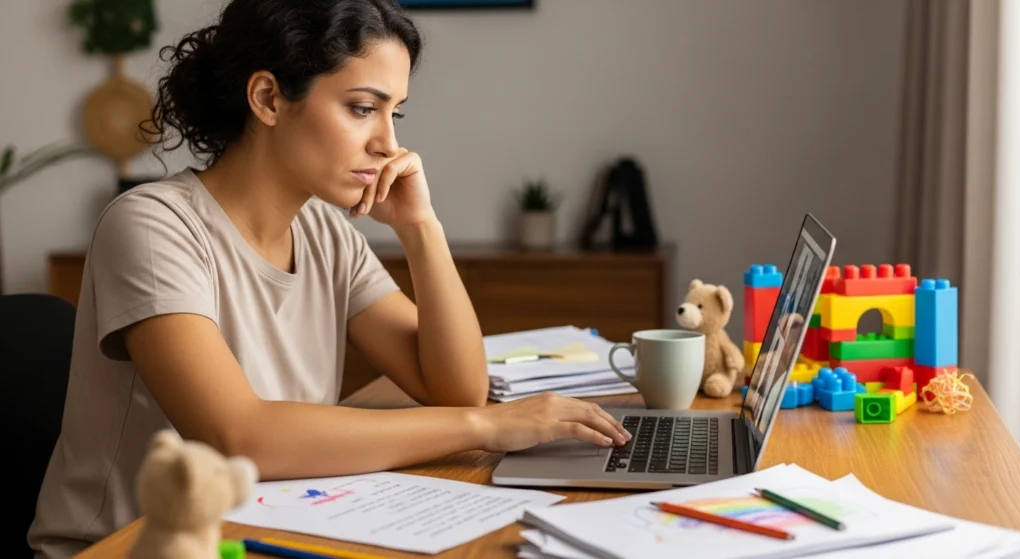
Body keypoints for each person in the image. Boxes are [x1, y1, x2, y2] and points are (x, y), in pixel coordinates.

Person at [27, 1, 631, 556]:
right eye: (363, 108)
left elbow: (457, 388)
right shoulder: (153, 227)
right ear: (266, 98)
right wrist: (490, 426)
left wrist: (421, 228)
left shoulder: (325, 232)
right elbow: (240, 435)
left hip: (267, 532)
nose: (389, 144)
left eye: (394, 113)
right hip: (130, 549)